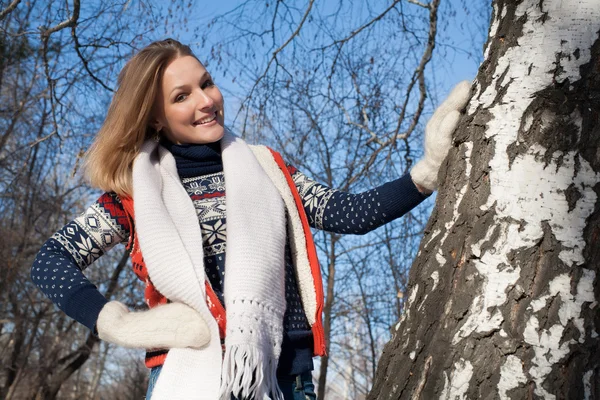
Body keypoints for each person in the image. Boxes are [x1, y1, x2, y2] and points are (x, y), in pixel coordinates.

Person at [31, 39, 470, 400]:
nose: (206, 101)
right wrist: (122, 324)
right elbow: (50, 261)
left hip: (284, 380)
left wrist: (427, 172)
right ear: (153, 117)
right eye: (182, 96)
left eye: (207, 84)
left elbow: (348, 213)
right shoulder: (134, 195)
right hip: (186, 376)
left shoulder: (268, 169)